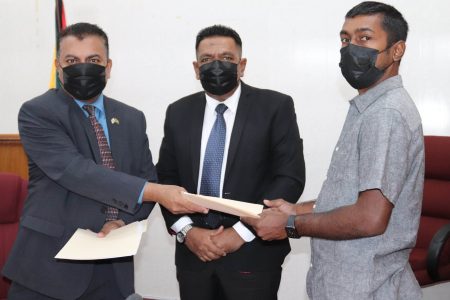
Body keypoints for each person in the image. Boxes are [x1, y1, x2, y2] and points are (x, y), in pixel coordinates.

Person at [2, 22, 205, 300]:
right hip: (49, 267)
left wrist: (121, 222)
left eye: (93, 60)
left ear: (108, 67)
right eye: (72, 60)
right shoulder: (38, 112)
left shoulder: (132, 118)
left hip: (113, 267)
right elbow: (76, 171)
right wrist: (156, 193)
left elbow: (148, 177)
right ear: (58, 67)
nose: (82, 68)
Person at [243, 2, 424, 299]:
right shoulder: (368, 108)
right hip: (346, 283)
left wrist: (290, 225)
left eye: (365, 38)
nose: (351, 48)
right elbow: (352, 196)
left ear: (397, 50)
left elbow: (369, 217)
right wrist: (296, 209)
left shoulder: (386, 114)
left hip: (366, 287)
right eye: (345, 39)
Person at [157, 25, 305, 300]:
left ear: (242, 64)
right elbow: (166, 177)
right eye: (206, 60)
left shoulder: (275, 106)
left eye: (226, 58)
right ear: (195, 67)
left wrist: (240, 232)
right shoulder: (178, 111)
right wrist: (188, 231)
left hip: (253, 254)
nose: (216, 65)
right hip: (193, 254)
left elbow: (289, 177)